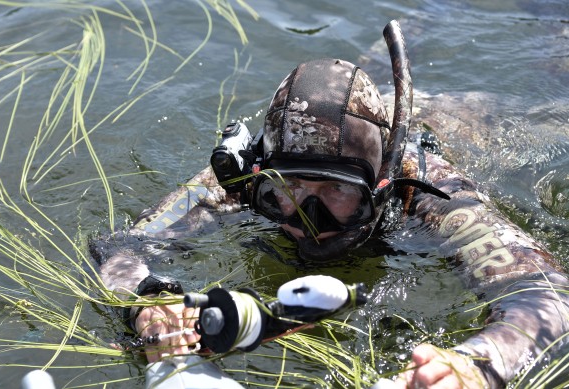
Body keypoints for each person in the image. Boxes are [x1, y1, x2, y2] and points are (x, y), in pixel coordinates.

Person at [91, 22, 569, 389]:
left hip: (481, 120)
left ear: (380, 187)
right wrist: (151, 300)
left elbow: (549, 298)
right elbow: (123, 246)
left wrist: (475, 366)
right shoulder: (243, 178)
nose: (306, 219)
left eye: (337, 192)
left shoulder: (426, 188)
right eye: (289, 188)